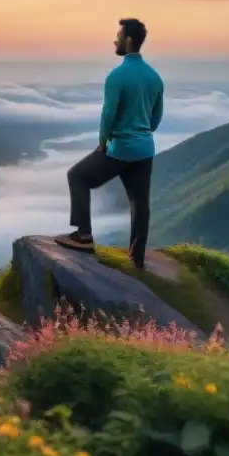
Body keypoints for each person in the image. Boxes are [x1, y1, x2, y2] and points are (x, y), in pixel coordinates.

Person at [55, 18, 164, 269]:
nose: (114, 40)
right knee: (140, 205)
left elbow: (108, 115)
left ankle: (83, 236)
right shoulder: (155, 78)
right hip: (144, 150)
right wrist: (141, 133)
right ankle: (136, 259)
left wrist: (103, 144)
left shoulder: (117, 76)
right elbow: (155, 118)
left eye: (118, 36)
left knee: (77, 176)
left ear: (128, 40)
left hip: (119, 149)